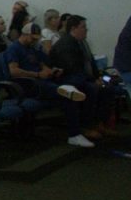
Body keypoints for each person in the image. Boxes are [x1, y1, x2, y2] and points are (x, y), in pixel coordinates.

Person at [48, 16, 117, 144]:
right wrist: (93, 80)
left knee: (109, 87)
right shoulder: (66, 44)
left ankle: (99, 122)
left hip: (83, 77)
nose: (86, 30)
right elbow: (73, 68)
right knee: (91, 88)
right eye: (83, 27)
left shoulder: (82, 42)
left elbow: (90, 63)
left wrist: (98, 77)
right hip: (68, 79)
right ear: (74, 28)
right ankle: (85, 126)